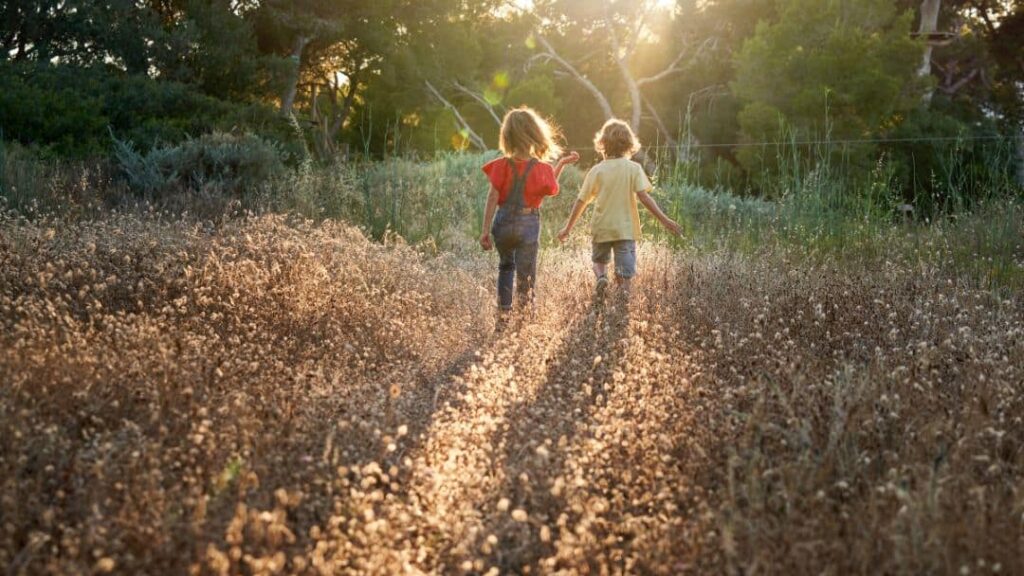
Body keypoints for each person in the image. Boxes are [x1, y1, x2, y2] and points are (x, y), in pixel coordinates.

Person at [557, 119, 681, 299]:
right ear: (630, 144)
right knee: (624, 276)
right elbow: (644, 197)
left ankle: (601, 277)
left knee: (598, 261)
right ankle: (621, 309)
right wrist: (665, 220)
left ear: (602, 144)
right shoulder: (634, 169)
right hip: (625, 230)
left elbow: (581, 201)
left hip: (602, 228)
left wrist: (567, 228)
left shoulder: (597, 170)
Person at [480, 107, 580, 321]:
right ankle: (525, 319)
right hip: (528, 223)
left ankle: (503, 314)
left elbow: (492, 198)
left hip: (503, 221)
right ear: (534, 134)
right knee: (526, 275)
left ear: (507, 136)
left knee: (506, 267)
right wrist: (560, 165)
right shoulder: (542, 169)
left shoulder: (500, 165)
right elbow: (551, 188)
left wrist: (485, 231)